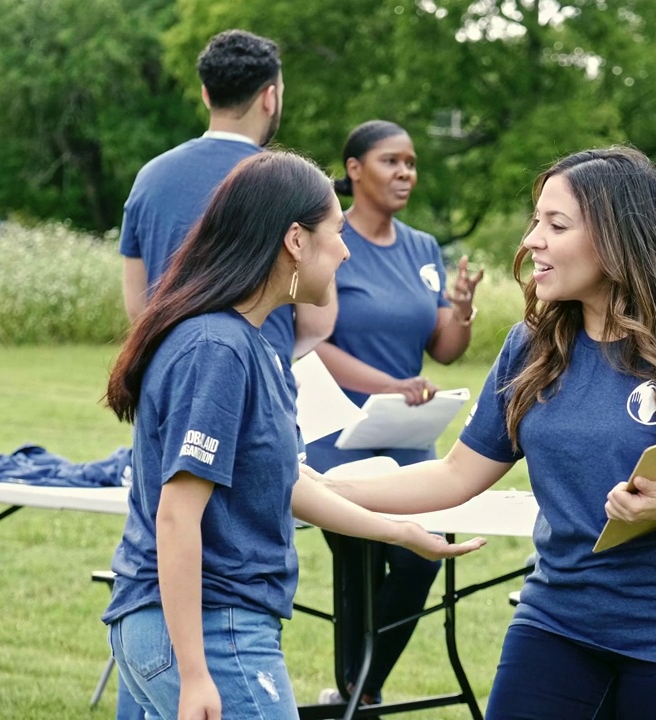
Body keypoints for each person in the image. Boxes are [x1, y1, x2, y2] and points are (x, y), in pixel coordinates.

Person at [316, 146, 656, 718]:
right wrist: (319, 491)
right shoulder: (530, 348)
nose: (532, 240)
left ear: (618, 239)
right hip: (559, 620)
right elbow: (458, 474)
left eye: (556, 225)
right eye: (537, 221)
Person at [100, 150, 483, 720]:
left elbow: (284, 483)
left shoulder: (252, 345)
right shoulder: (218, 349)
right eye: (336, 232)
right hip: (210, 627)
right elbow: (177, 516)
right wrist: (197, 672)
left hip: (191, 625)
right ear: (296, 241)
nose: (347, 250)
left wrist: (399, 532)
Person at [304, 119, 484, 708]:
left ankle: (358, 691)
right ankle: (360, 696)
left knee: (417, 560)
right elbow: (310, 342)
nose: (405, 172)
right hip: (338, 440)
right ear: (354, 169)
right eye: (391, 161)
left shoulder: (423, 247)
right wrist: (391, 384)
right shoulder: (329, 243)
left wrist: (461, 309)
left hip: (408, 445)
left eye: (411, 162)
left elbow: (445, 349)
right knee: (357, 563)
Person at [118, 29, 334, 374]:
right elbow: (317, 323)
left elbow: (137, 305)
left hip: (168, 379)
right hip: (257, 384)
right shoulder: (290, 185)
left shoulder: (150, 177)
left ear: (206, 95)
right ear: (270, 97)